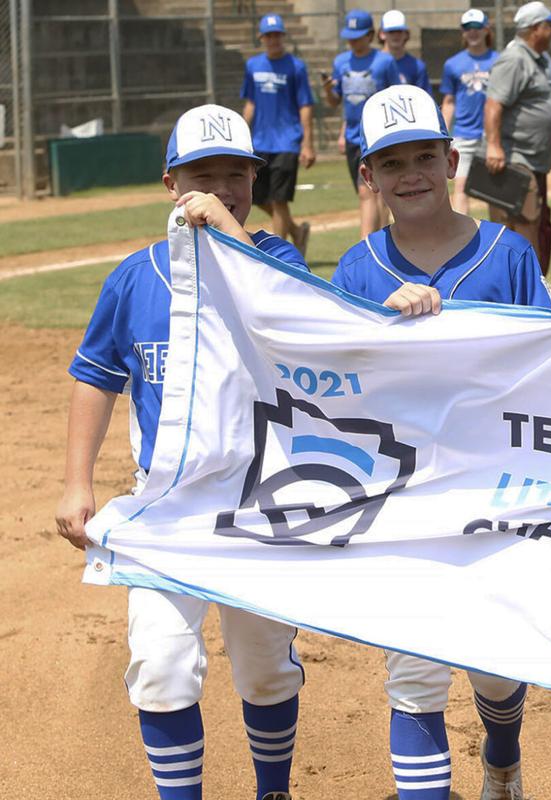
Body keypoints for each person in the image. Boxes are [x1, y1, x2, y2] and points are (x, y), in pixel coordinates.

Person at [329, 85, 551, 800]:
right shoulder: (358, 272)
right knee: (413, 673)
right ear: (369, 176)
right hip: (403, 500)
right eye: (392, 162)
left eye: (425, 156)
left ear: (453, 160)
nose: (411, 173)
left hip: (493, 493)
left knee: (496, 667)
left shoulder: (506, 254)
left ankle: (502, 757)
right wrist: (371, 326)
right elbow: (329, 389)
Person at [55, 105, 309, 800]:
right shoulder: (136, 278)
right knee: (162, 669)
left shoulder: (277, 260)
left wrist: (228, 231)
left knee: (266, 671)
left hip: (263, 502)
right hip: (165, 507)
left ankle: (273, 791)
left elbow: (286, 306)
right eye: (205, 174)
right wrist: (77, 481)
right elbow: (96, 376)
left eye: (237, 174)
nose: (222, 187)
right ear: (172, 182)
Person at [484, 1, 551, 271]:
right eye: (549, 25)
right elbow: (493, 104)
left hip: (533, 161)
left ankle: (529, 289)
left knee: (535, 224)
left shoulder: (536, 59)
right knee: (522, 228)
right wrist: (494, 146)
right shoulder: (515, 59)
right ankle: (523, 295)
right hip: (514, 160)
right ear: (535, 29)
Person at [241, 13, 316, 256]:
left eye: (277, 35)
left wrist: (307, 144)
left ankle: (279, 256)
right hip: (260, 141)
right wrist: (240, 134)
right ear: (261, 38)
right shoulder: (253, 66)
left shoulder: (296, 67)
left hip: (287, 141)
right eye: (269, 35)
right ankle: (296, 231)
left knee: (279, 199)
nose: (273, 40)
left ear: (283, 37)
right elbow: (250, 103)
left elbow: (305, 105)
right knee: (257, 197)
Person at [321, 8, 397, 239]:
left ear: (371, 35)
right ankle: (383, 239)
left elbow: (393, 98)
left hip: (378, 135)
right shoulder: (341, 62)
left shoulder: (384, 62)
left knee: (371, 192)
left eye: (358, 36)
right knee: (368, 191)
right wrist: (327, 90)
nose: (353, 42)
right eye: (350, 37)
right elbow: (336, 101)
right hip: (354, 136)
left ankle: (368, 242)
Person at [441, 9, 499, 214]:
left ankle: (497, 240)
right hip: (463, 134)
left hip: (491, 136)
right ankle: (461, 242)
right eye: (467, 28)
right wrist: (443, 135)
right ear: (462, 32)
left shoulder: (499, 60)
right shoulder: (452, 64)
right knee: (461, 188)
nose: (472, 32)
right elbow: (449, 102)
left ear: (486, 30)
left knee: (494, 192)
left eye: (476, 28)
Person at [380, 9, 433, 94]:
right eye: (391, 32)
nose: (396, 35)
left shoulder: (417, 66)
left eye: (399, 31)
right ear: (382, 34)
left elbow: (424, 98)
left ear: (406, 34)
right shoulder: (373, 63)